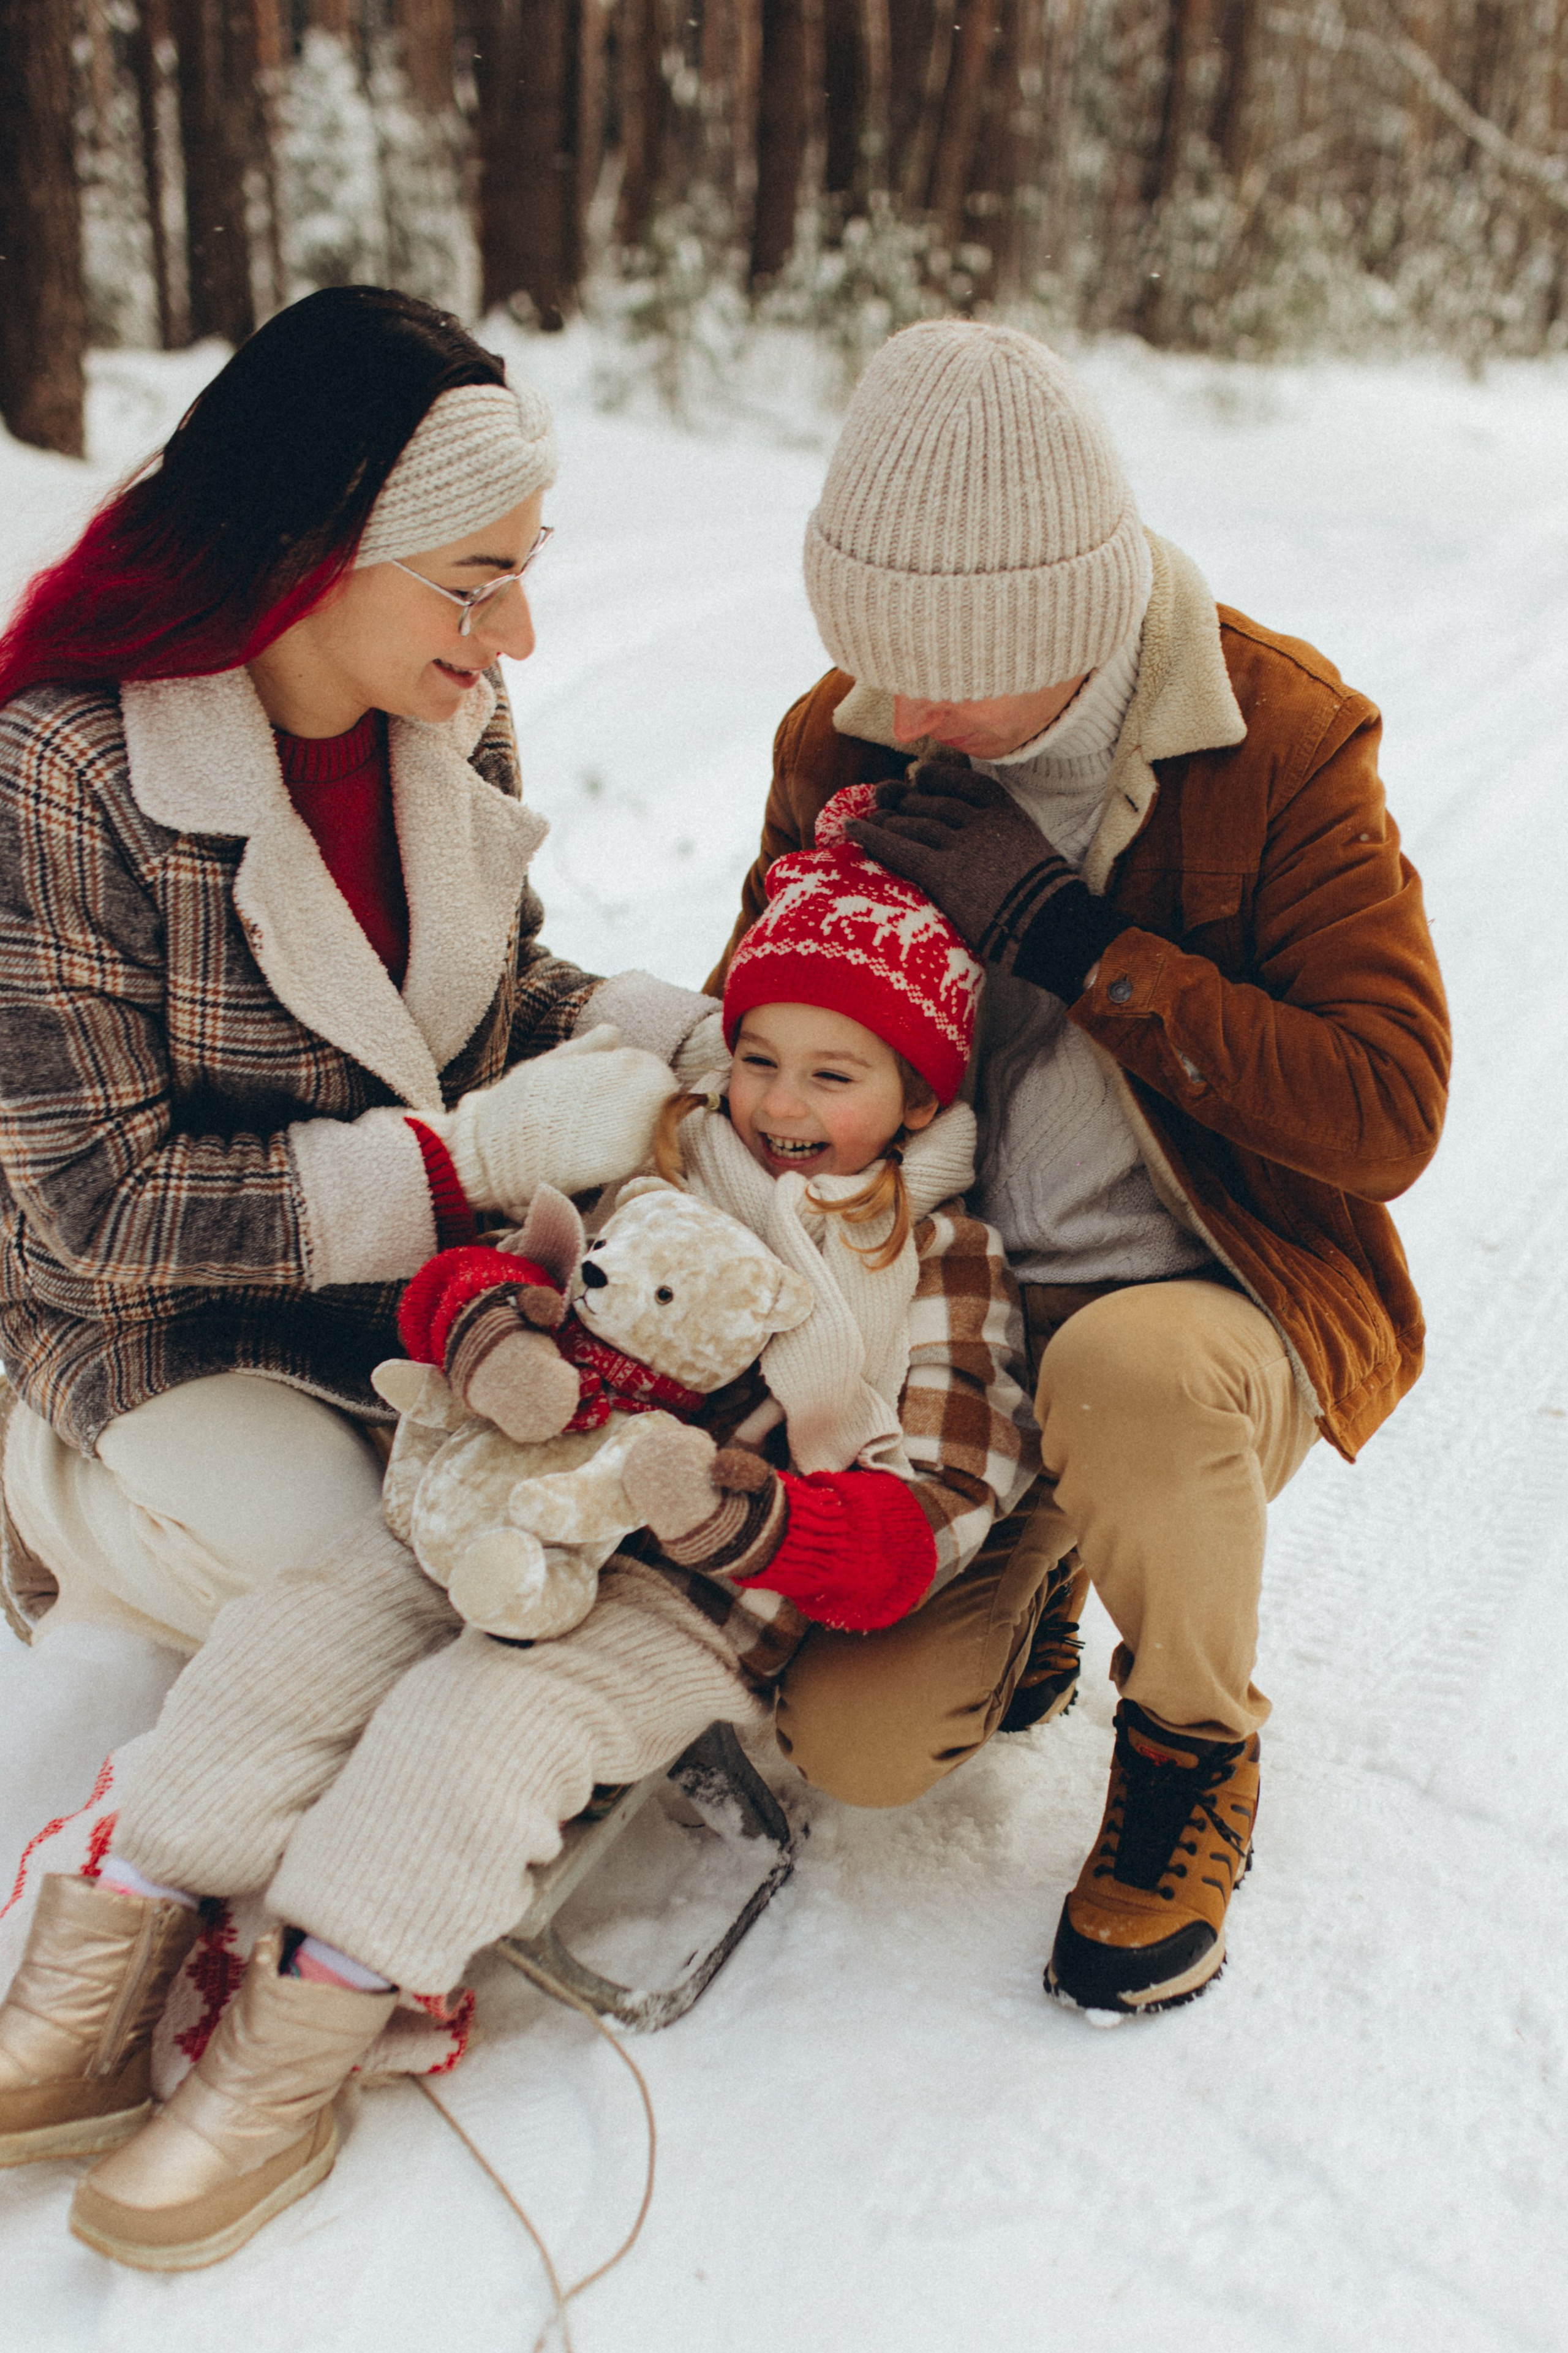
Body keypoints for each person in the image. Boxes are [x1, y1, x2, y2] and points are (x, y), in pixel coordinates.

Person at [0, 809, 1036, 2268]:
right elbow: (477, 1271)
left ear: (919, 1099)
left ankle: (283, 2063)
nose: (780, 1102)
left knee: (469, 1731)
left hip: (670, 1605)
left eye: (833, 1073)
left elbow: (926, 1522)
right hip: (469, 1517)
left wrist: (738, 1509)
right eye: (755, 1056)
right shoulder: (664, 1168)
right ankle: (100, 1973)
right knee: (288, 1644)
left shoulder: (944, 1271)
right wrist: (491, 1337)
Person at [711, 319, 1451, 2017]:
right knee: (861, 1746)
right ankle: (1035, 1557)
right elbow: (769, 1045)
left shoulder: (1277, 739)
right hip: (946, 1333)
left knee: (1127, 1374)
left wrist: (1069, 936)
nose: (916, 714)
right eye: (878, 661)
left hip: (1196, 1313)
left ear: (1068, 616)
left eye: (957, 671)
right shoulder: (852, 729)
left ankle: (1194, 1747)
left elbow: (1389, 1103)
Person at [0, 286, 710, 1663]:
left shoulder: (443, 715)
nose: (514, 636)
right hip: (144, 1321)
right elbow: (100, 1202)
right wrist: (452, 1167)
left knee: (585, 1542)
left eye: (526, 567)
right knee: (383, 1611)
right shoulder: (66, 767)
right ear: (315, 546)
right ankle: (52, 1505)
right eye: (470, 579)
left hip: (414, 1302)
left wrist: (693, 1045)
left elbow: (488, 999)